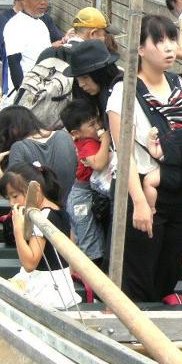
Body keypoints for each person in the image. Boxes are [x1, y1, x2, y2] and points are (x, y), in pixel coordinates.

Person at [107, 15, 182, 302]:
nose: (169, 48)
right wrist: (138, 204)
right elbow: (123, 155)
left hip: (175, 188)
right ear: (140, 49)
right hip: (139, 190)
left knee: (168, 268)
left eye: (172, 40)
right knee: (138, 272)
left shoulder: (179, 85)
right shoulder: (124, 93)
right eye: (159, 41)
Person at [2, 162, 81, 310]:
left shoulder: (42, 216)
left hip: (46, 290)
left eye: (15, 196)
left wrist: (18, 230)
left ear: (35, 189)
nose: (12, 203)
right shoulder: (58, 208)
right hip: (60, 284)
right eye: (9, 198)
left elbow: (30, 264)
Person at [0, 105, 76, 207]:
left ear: (12, 129)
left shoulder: (19, 148)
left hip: (45, 212)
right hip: (75, 205)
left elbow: (9, 186)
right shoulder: (64, 136)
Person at [60, 99, 111, 264]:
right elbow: (98, 163)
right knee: (90, 241)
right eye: (91, 124)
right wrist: (106, 140)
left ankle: (74, 271)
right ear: (75, 133)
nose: (97, 127)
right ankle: (90, 280)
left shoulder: (88, 139)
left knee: (79, 235)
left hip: (80, 194)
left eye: (97, 121)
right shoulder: (87, 143)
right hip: (82, 196)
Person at [2, 0, 56, 91]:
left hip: (41, 88)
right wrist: (22, 93)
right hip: (26, 90)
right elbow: (14, 63)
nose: (43, 2)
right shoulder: (15, 25)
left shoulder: (41, 23)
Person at [66, 39, 123, 119]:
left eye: (85, 77)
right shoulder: (82, 93)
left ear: (101, 73)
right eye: (77, 79)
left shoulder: (118, 94)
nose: (81, 84)